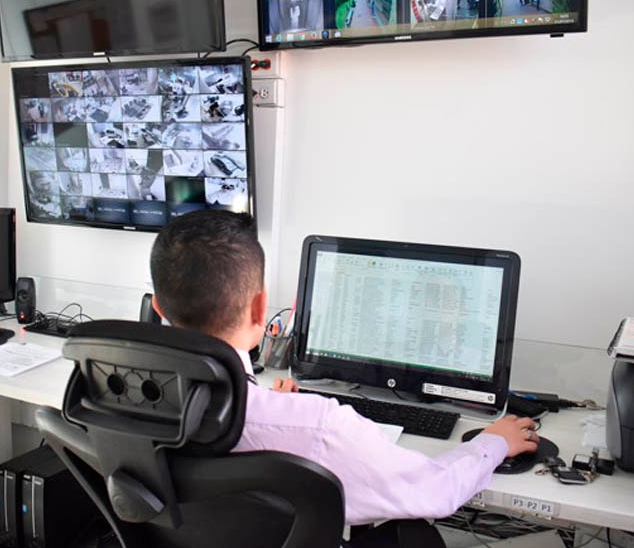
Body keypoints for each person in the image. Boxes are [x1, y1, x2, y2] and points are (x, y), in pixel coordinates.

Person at [149, 210, 539, 547]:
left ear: (158, 307)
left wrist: (277, 406)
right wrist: (493, 443)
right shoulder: (320, 425)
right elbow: (437, 492)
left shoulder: (119, 402)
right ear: (260, 307)